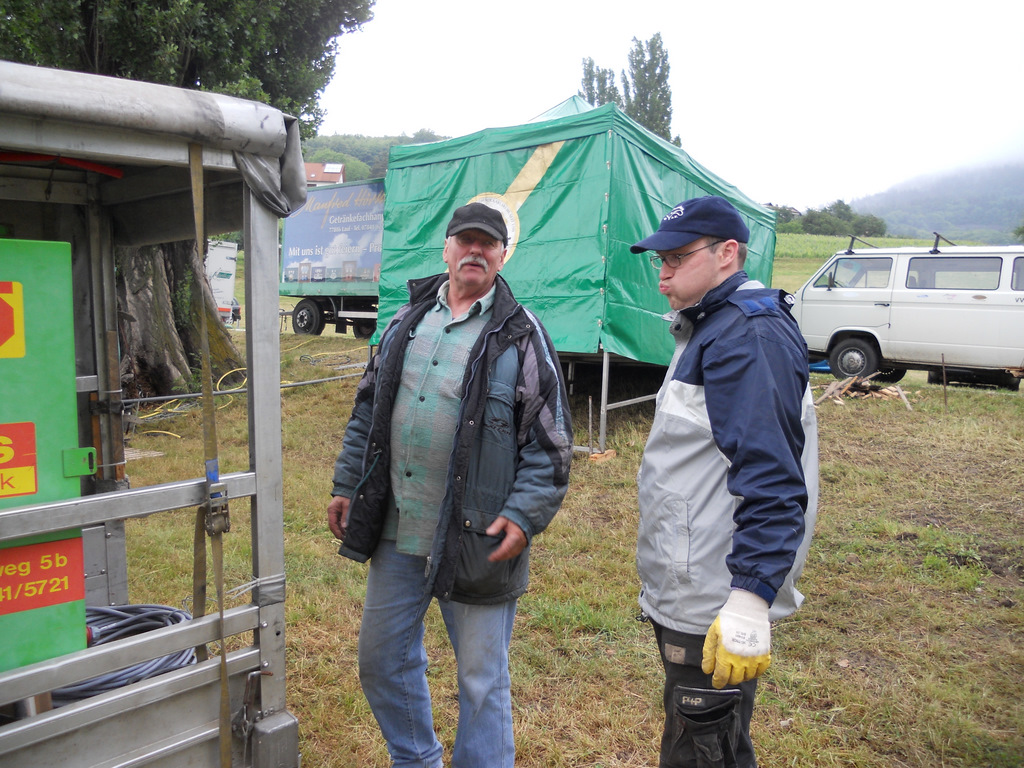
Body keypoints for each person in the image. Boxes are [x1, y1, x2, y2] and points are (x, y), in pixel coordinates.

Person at [327, 201, 573, 768]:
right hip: (398, 529)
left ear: (503, 256)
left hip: (478, 537)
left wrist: (523, 514)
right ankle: (416, 759)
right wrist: (346, 483)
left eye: (488, 243)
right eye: (465, 239)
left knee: (481, 681)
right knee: (381, 661)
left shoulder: (521, 336)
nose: (475, 251)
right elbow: (367, 411)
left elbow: (552, 444)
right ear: (446, 248)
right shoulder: (405, 322)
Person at [629, 196, 819, 768]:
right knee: (707, 744)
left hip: (715, 593)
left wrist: (749, 598)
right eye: (659, 261)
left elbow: (771, 477)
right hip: (695, 581)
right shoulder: (714, 325)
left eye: (676, 258)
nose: (662, 275)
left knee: (703, 751)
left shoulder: (746, 336)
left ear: (727, 253)